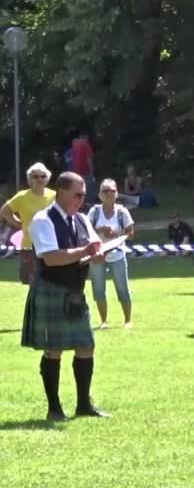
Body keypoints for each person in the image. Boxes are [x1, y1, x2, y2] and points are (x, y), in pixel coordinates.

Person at [21, 172, 110, 421]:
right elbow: (51, 257)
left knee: (86, 346)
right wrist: (85, 250)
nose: (81, 199)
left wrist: (98, 253)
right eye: (77, 195)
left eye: (83, 195)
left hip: (74, 291)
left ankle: (84, 405)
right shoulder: (42, 220)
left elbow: (94, 247)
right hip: (51, 288)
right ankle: (54, 408)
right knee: (54, 349)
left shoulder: (82, 219)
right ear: (61, 192)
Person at [86, 179, 135, 329]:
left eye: (112, 191)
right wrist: (100, 230)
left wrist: (118, 235)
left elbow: (131, 233)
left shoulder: (122, 212)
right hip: (97, 256)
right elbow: (84, 232)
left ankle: (127, 320)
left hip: (118, 255)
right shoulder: (94, 212)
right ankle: (104, 321)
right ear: (100, 195)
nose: (109, 194)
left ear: (117, 193)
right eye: (105, 191)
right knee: (99, 289)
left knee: (123, 289)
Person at [1, 163, 56, 284]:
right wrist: (19, 224)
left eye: (42, 176)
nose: (39, 179)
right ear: (30, 179)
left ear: (47, 178)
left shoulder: (54, 196)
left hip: (50, 245)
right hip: (29, 245)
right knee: (31, 282)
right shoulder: (22, 197)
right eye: (35, 176)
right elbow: (4, 211)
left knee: (50, 281)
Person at [70, 131, 96, 197]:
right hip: (85, 170)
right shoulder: (86, 145)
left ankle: (80, 202)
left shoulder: (75, 144)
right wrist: (92, 169)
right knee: (89, 186)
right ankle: (88, 203)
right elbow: (88, 159)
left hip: (76, 170)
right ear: (86, 137)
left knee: (79, 187)